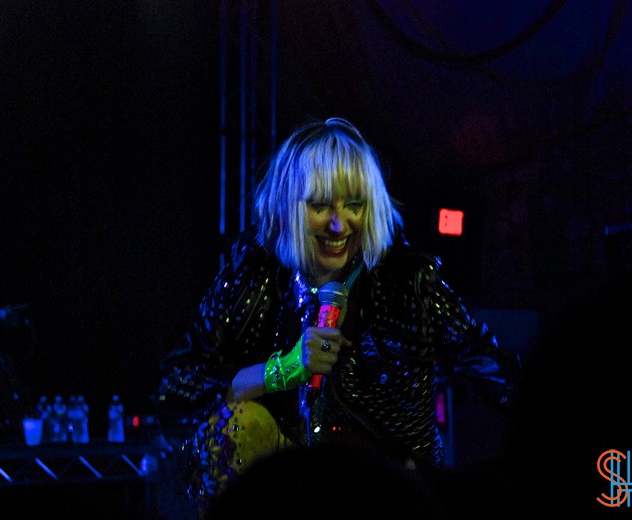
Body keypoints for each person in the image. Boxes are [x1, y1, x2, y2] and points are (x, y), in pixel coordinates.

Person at [156, 117, 521, 517]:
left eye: (354, 205)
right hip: (283, 483)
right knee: (238, 424)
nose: (338, 224)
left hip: (385, 487)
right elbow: (174, 387)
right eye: (320, 206)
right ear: (287, 206)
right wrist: (282, 370)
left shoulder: (408, 280)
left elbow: (490, 367)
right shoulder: (253, 271)